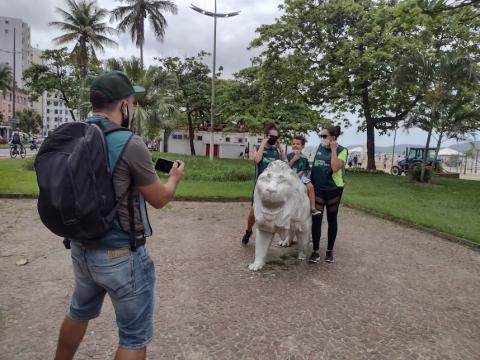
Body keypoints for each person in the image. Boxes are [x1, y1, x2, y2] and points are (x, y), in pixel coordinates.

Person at [54, 71, 185, 360]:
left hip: (81, 248)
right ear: (124, 105)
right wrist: (174, 178)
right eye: (132, 102)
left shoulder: (73, 134)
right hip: (120, 256)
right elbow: (160, 199)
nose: (134, 108)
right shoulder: (129, 142)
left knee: (78, 312)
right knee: (133, 337)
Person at [241, 122, 285, 245]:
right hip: (260, 187)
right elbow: (257, 159)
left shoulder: (275, 150)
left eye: (276, 137)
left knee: (273, 212)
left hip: (273, 187)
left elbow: (283, 162)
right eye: (272, 136)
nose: (274, 139)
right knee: (253, 213)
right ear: (266, 135)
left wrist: (280, 147)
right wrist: (263, 144)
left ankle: (266, 238)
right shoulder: (256, 146)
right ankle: (248, 231)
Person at [309, 125, 348, 264]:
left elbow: (335, 167)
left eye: (324, 136)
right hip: (318, 188)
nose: (321, 138)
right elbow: (315, 166)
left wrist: (333, 149)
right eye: (320, 136)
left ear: (333, 137)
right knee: (316, 219)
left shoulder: (342, 150)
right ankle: (315, 251)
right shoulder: (319, 148)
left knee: (332, 219)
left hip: (333, 189)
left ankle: (329, 251)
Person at [287, 135, 321, 216]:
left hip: (300, 176)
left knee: (310, 187)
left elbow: (305, 169)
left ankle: (312, 208)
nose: (295, 145)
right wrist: (293, 159)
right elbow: (286, 167)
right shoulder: (289, 156)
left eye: (298, 144)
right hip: (289, 176)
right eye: (294, 143)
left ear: (302, 146)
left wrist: (299, 174)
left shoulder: (304, 157)